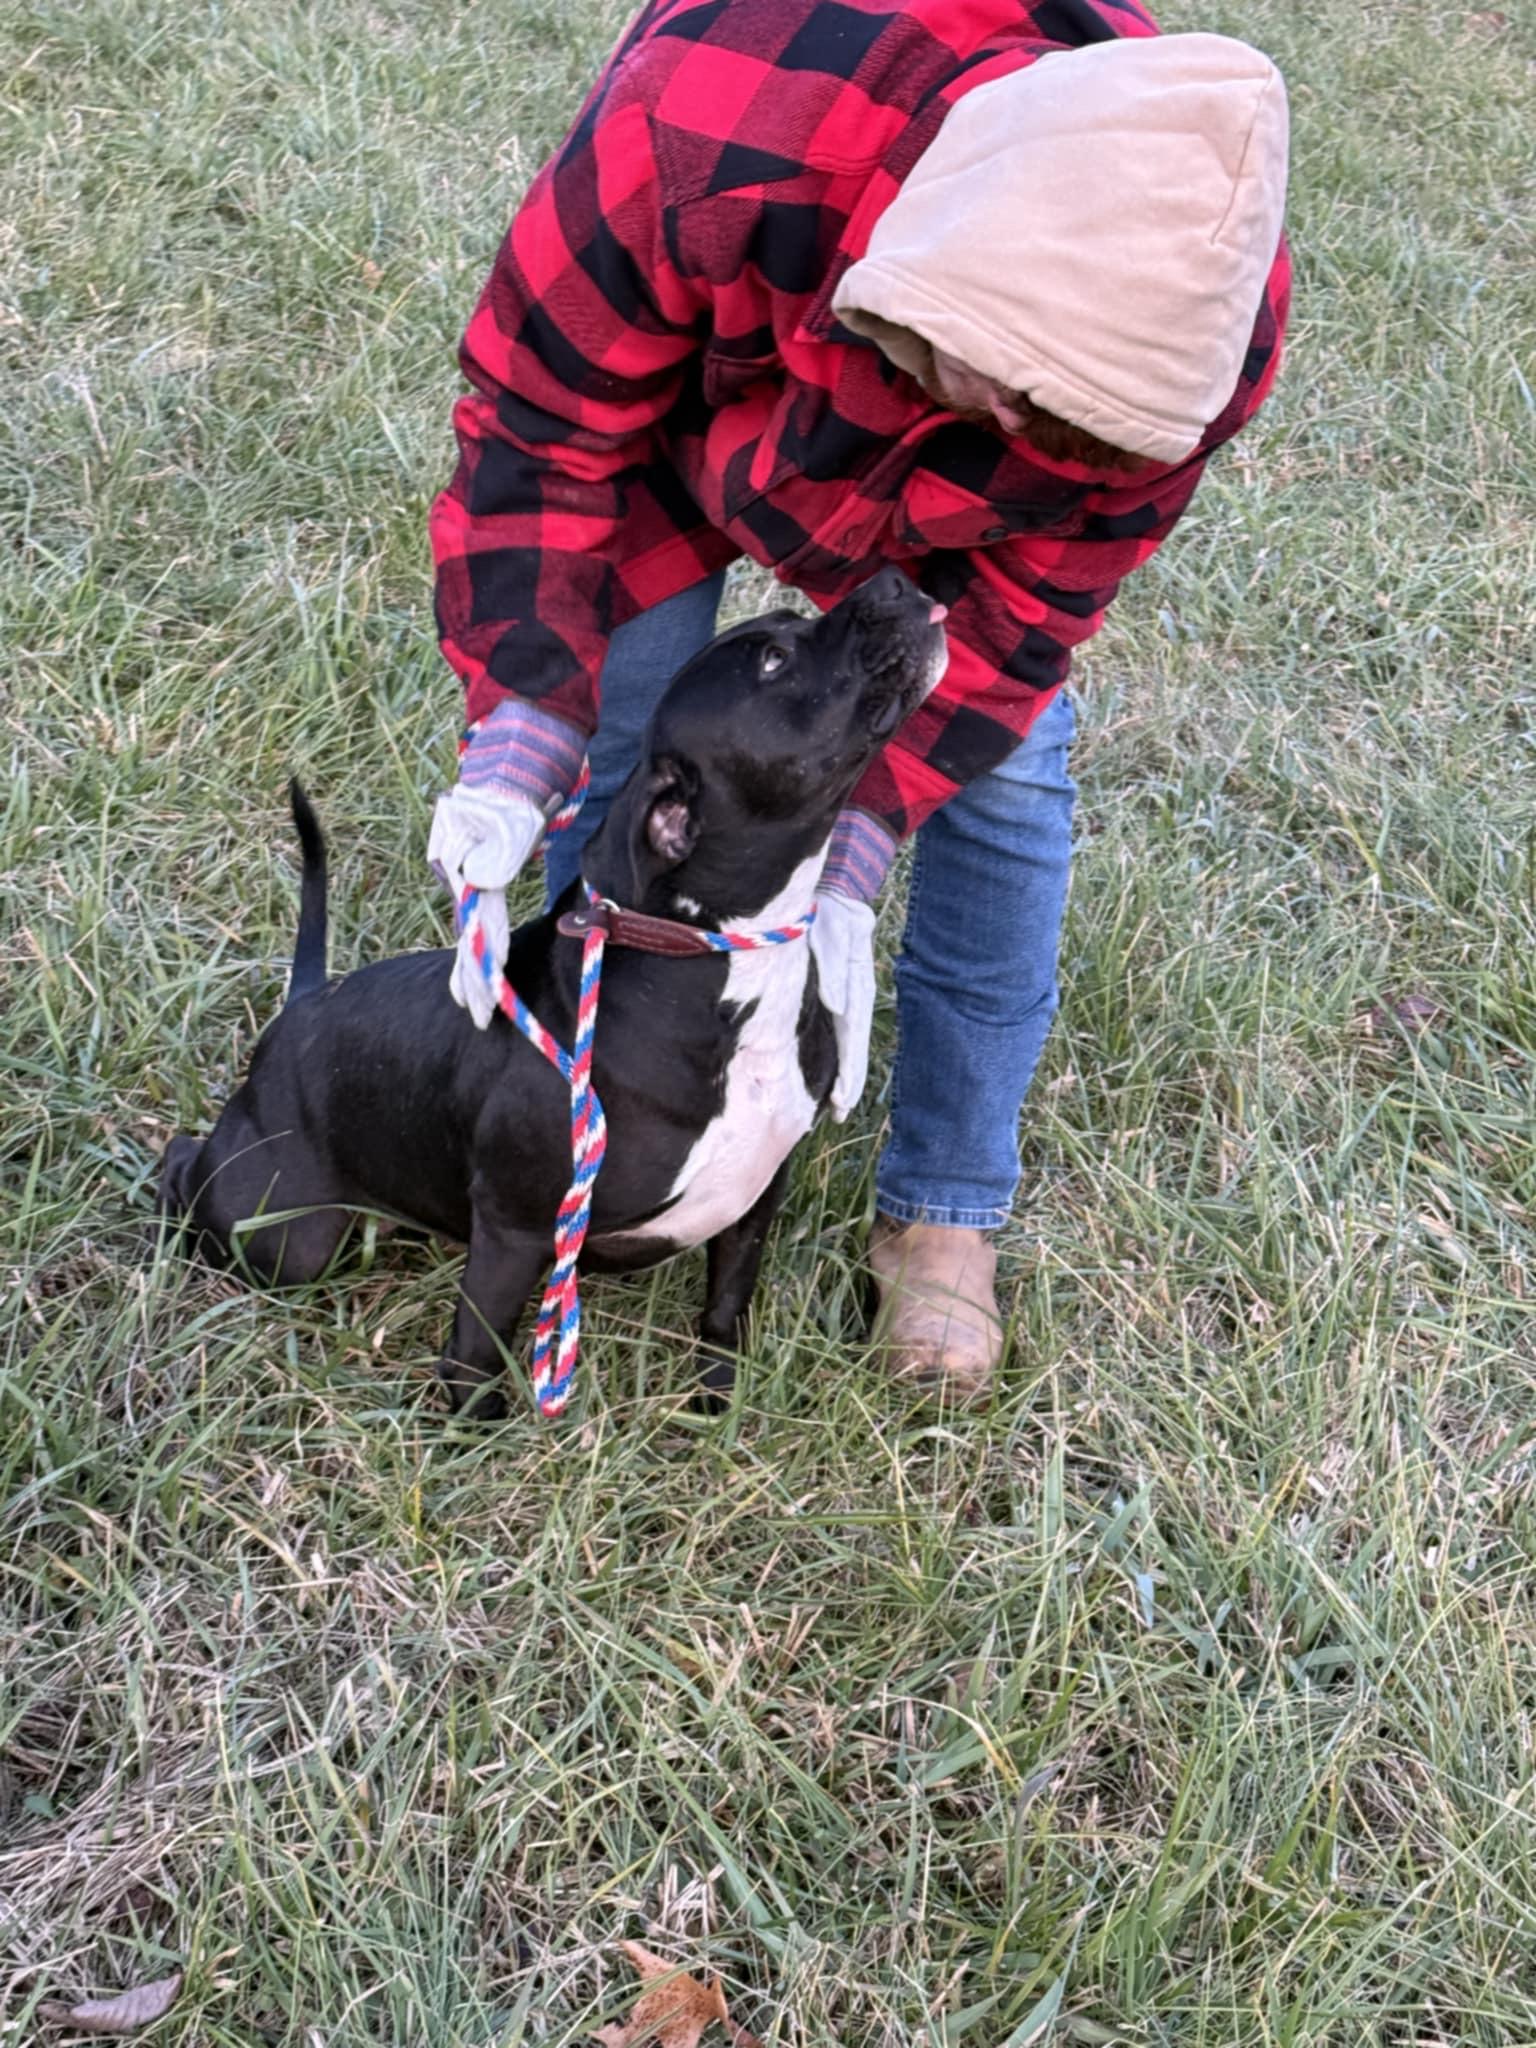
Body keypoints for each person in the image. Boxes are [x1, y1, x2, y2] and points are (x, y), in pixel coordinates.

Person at [427, 0, 1291, 1398]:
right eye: (1012, 388)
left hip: (956, 527)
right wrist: (528, 722)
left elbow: (1025, 619)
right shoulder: (702, 128)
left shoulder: (1204, 319)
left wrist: (866, 841)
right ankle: (591, 1129)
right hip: (691, 403)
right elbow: (545, 431)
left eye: (1068, 425)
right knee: (627, 730)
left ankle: (946, 1211)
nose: (1023, 430)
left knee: (1007, 784)